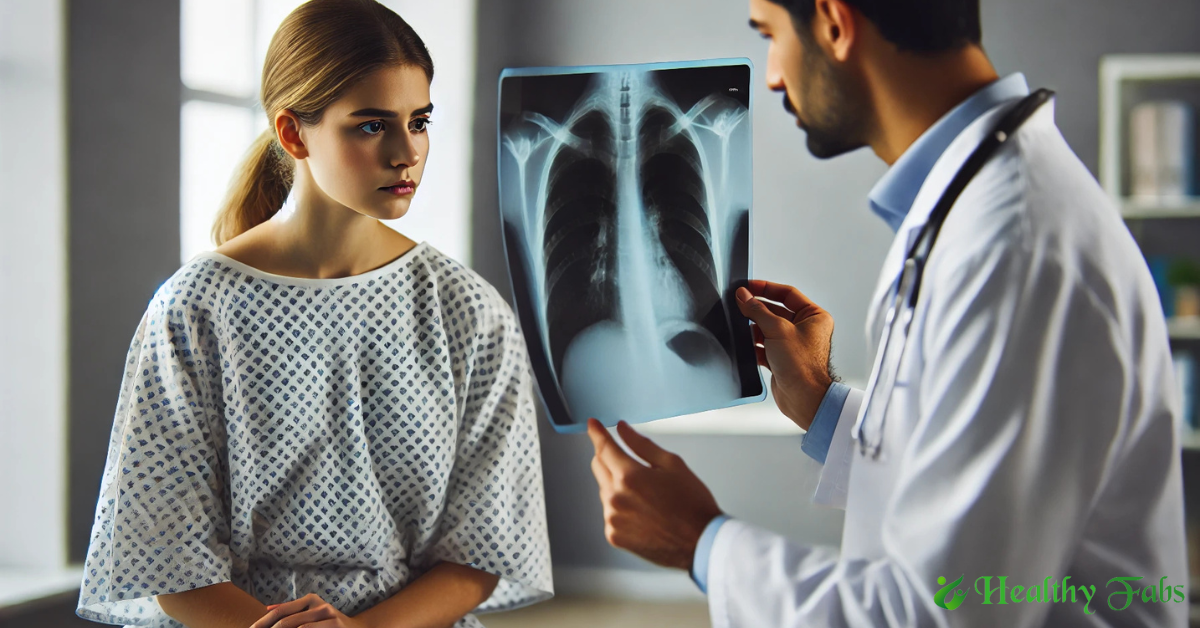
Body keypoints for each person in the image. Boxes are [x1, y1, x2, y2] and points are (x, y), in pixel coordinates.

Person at [587, 0, 1187, 625]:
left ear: (834, 23)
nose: (770, 75)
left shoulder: (1011, 246)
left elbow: (938, 614)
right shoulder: (972, 204)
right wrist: (822, 403)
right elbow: (967, 477)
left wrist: (700, 541)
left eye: (770, 35)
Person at [75, 1, 552, 627]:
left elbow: (482, 549)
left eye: (420, 120)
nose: (408, 152)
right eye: (372, 126)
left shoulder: (470, 313)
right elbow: (165, 554)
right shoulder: (193, 310)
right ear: (295, 133)